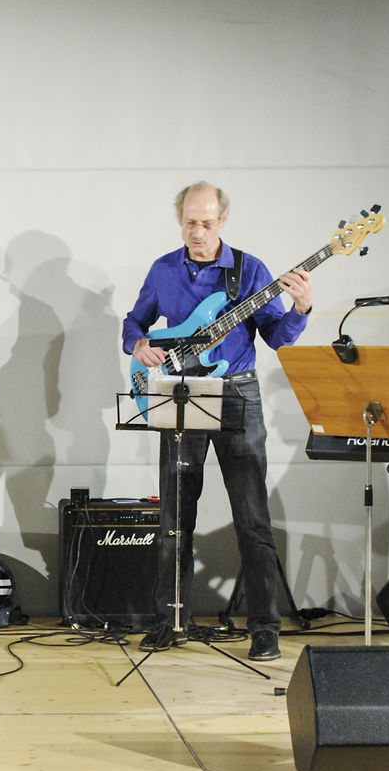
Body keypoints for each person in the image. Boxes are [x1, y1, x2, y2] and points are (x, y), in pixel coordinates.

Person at [121, 183, 311, 661]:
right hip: (180, 393)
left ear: (223, 220)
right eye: (189, 222)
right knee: (175, 516)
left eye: (206, 223)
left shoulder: (250, 271)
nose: (197, 232)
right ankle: (170, 619)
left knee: (251, 516)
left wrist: (301, 309)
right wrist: (138, 346)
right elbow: (134, 323)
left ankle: (264, 626)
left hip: (237, 392)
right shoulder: (164, 269)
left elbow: (277, 338)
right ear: (179, 219)